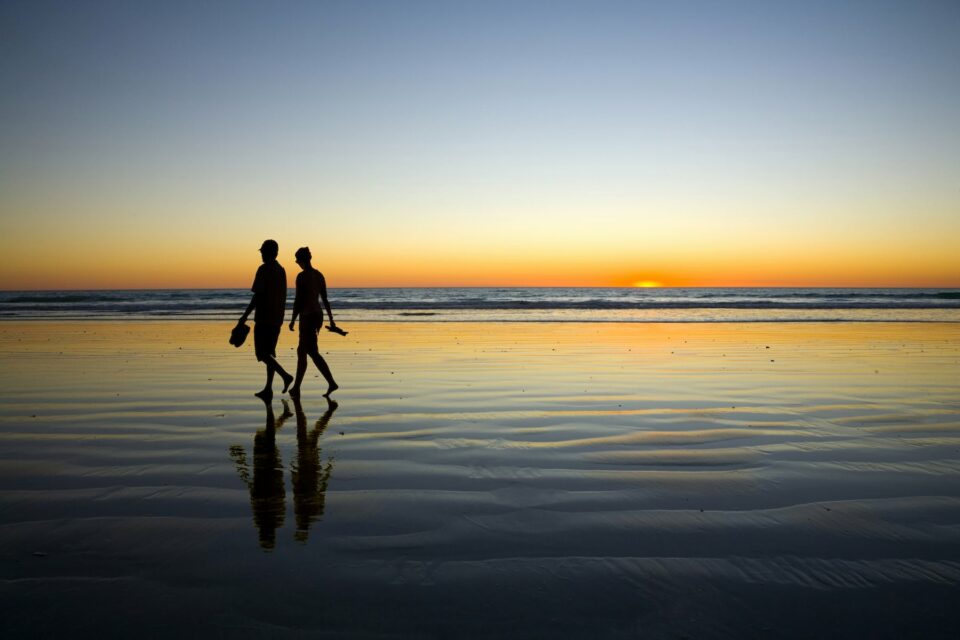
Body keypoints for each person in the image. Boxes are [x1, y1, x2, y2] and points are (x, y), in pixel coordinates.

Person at [239, 239, 294, 399]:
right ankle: (268, 389)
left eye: (263, 252)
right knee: (269, 353)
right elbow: (283, 295)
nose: (261, 254)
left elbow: (257, 296)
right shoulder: (281, 270)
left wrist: (244, 316)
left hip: (264, 317)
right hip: (277, 318)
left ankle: (285, 376)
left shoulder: (263, 269)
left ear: (268, 253)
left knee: (262, 354)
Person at [288, 246, 339, 397]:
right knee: (303, 351)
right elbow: (325, 300)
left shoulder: (301, 277)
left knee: (311, 352)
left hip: (307, 316)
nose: (297, 263)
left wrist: (292, 319)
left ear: (302, 260)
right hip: (317, 315)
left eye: (297, 260)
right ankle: (296, 387)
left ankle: (331, 382)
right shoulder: (319, 275)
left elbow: (298, 300)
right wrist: (331, 320)